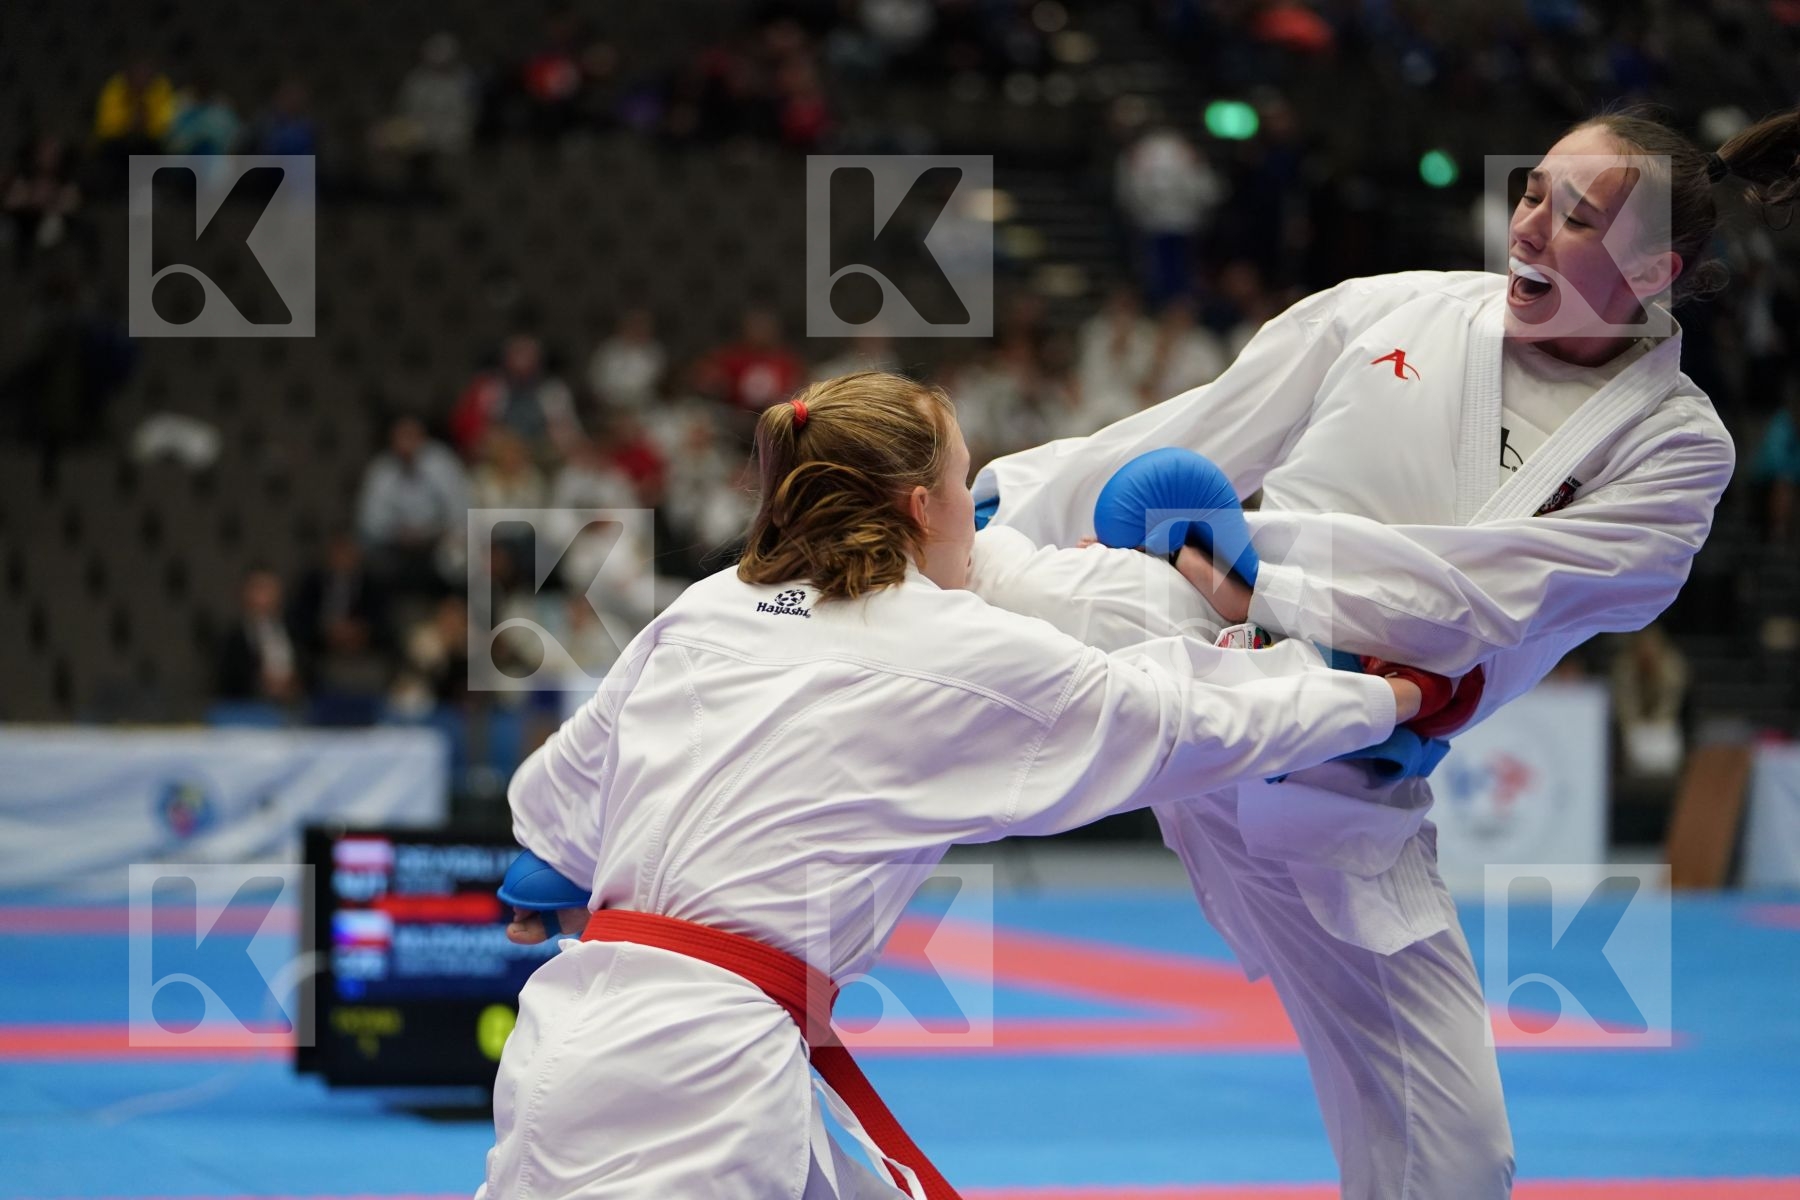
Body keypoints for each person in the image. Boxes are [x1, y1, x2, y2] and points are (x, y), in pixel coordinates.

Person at [971, 106, 1800, 1198]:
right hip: (1194, 651)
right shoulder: (1387, 311)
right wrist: (1007, 503)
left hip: (1344, 785)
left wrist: (1242, 563)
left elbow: (1469, 602)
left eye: (1580, 215)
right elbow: (1189, 441)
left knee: (1458, 1160)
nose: (1534, 227)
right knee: (947, 596)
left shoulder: (1674, 450)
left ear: (1655, 268)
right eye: (1533, 192)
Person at [479, 372, 1426, 1200]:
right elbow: (1180, 717)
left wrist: (549, 875)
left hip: (577, 1025)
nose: (977, 508)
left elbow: (565, 789)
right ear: (921, 507)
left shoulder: (707, 607)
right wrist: (1376, 700)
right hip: (699, 1078)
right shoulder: (947, 644)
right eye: (964, 480)